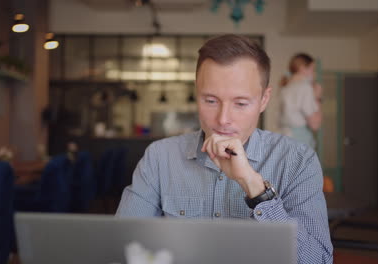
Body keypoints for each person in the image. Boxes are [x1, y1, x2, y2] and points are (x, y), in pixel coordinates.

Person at [116, 34, 333, 263]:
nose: (223, 119)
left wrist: (256, 188)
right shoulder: (159, 157)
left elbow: (317, 260)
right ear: (196, 93)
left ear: (264, 100)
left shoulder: (298, 161)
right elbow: (120, 247)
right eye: (210, 100)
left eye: (240, 103)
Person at [279, 53, 322, 149]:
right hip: (299, 141)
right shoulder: (305, 88)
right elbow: (315, 124)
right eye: (313, 69)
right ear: (302, 68)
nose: (314, 74)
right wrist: (318, 97)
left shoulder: (285, 88)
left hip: (285, 139)